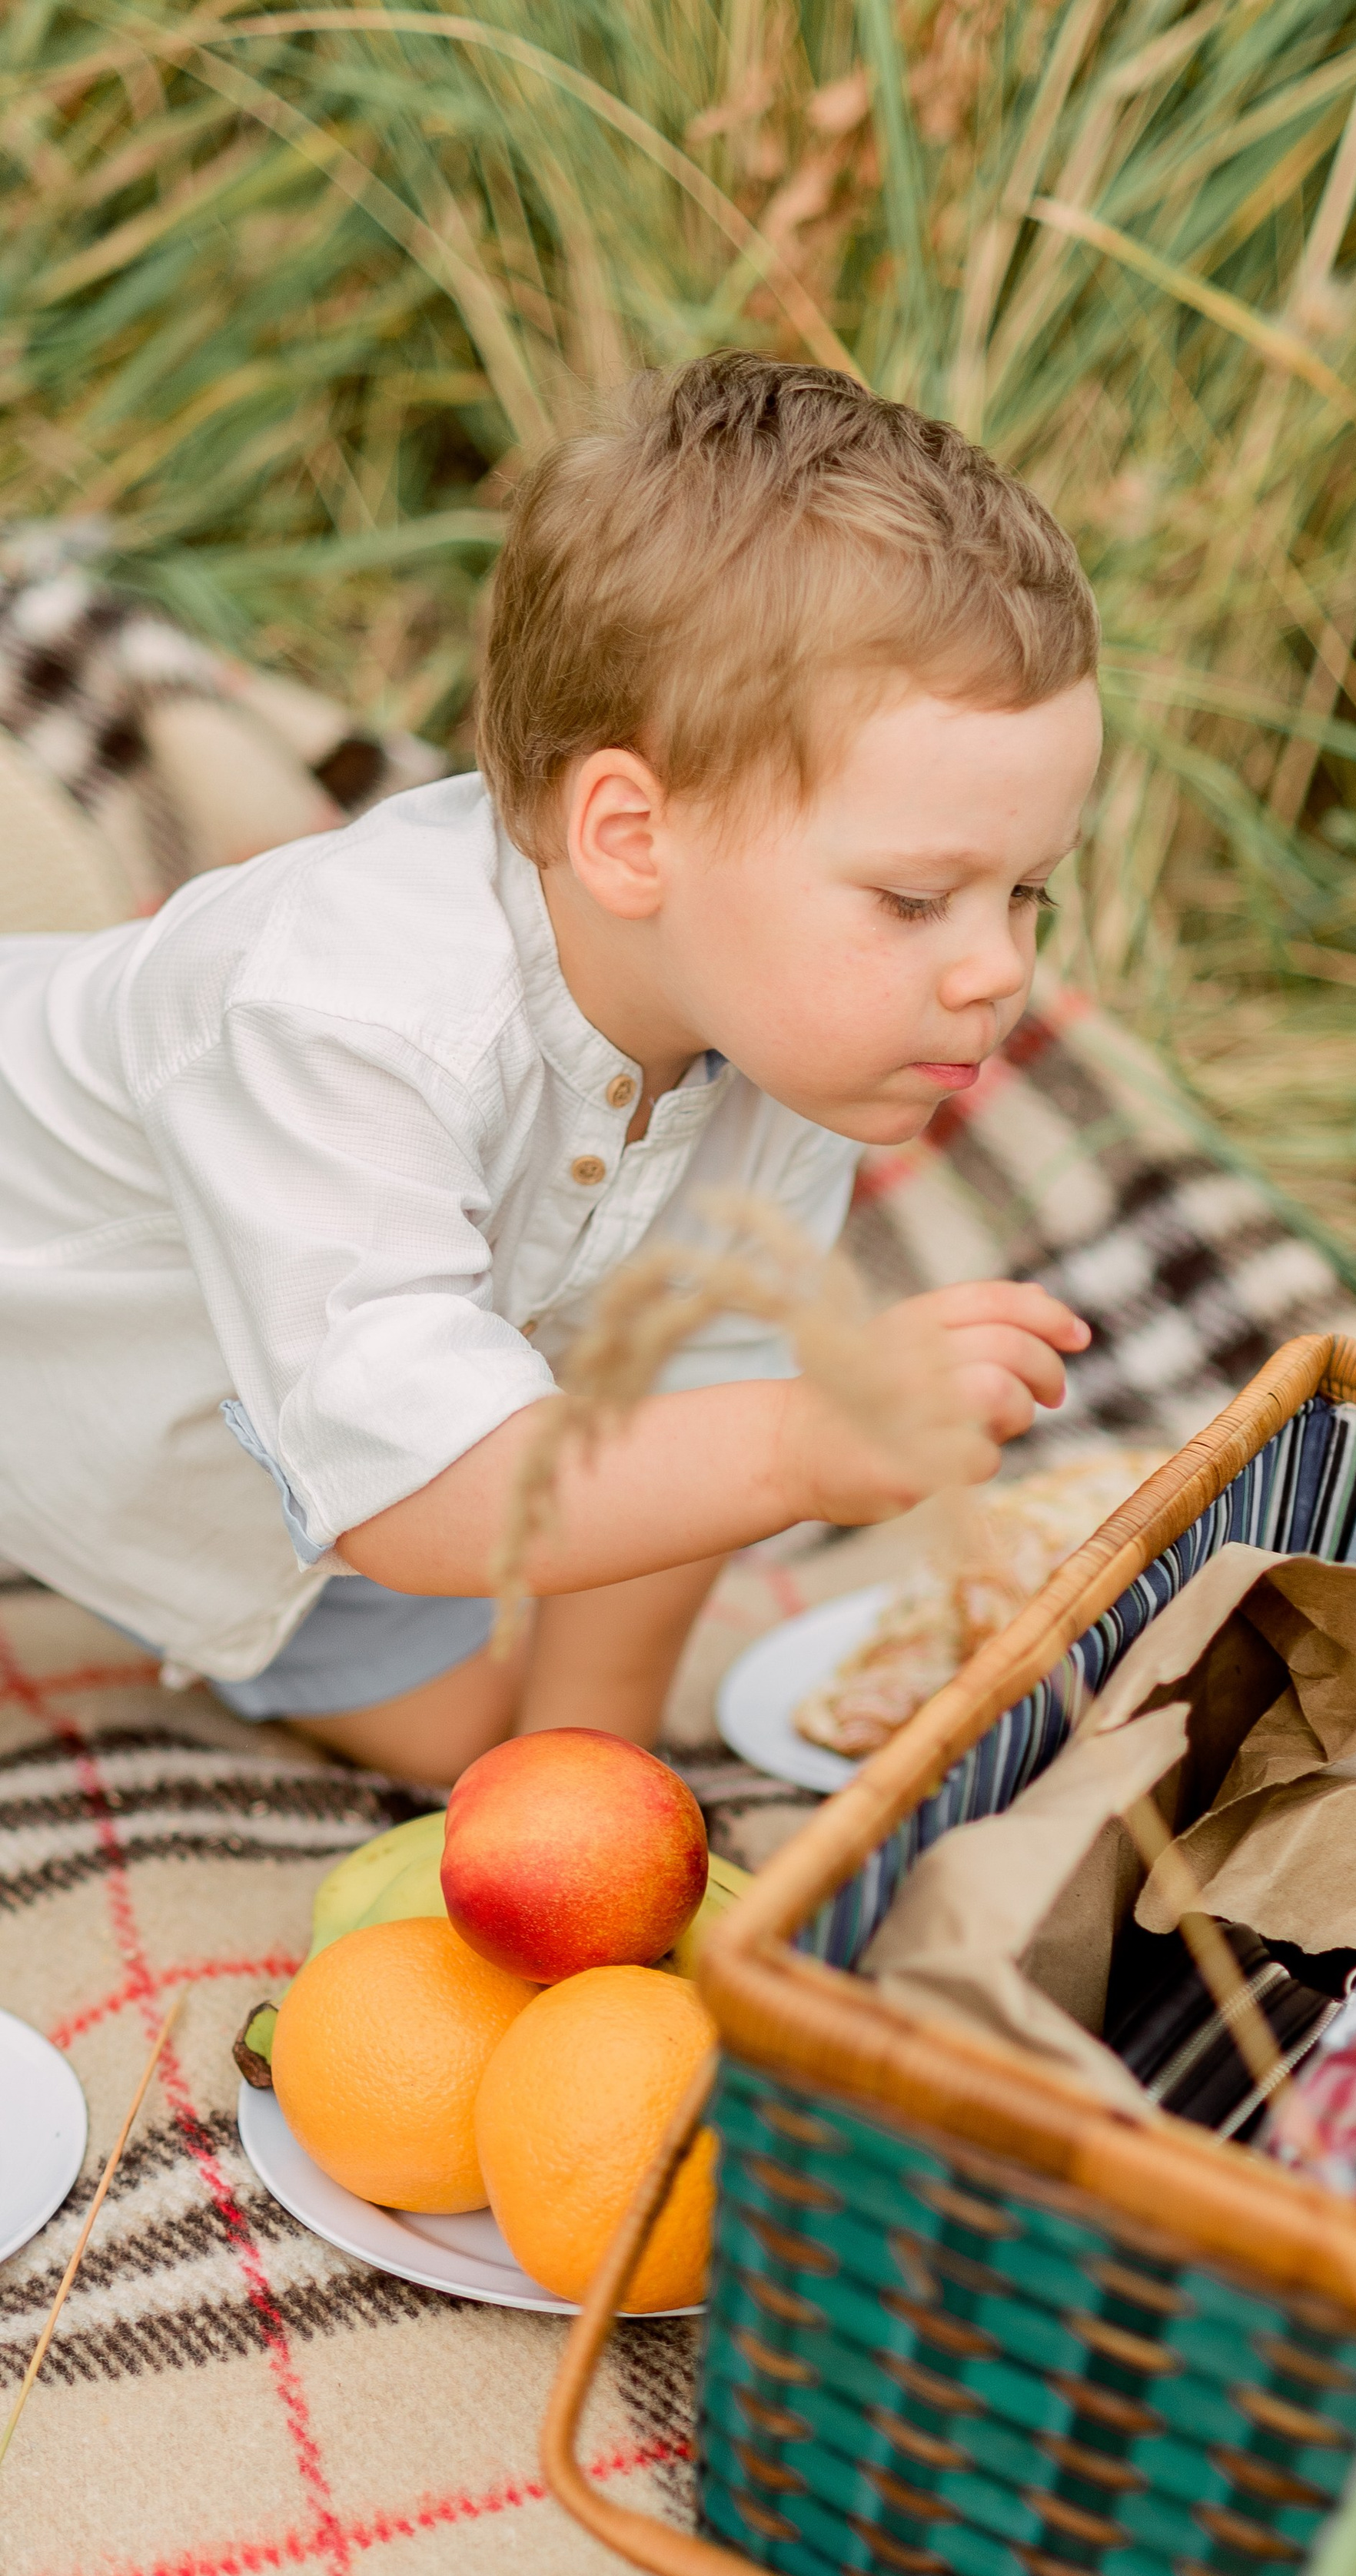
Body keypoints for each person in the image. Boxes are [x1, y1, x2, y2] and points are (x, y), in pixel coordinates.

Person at [0, 355, 1103, 1783]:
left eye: (1027, 895)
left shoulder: (787, 1043)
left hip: (206, 1441)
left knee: (492, 1750)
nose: (997, 973)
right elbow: (424, 1495)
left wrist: (591, 1791)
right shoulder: (353, 1023)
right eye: (914, 899)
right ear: (632, 836)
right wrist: (801, 1442)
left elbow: (681, 1419)